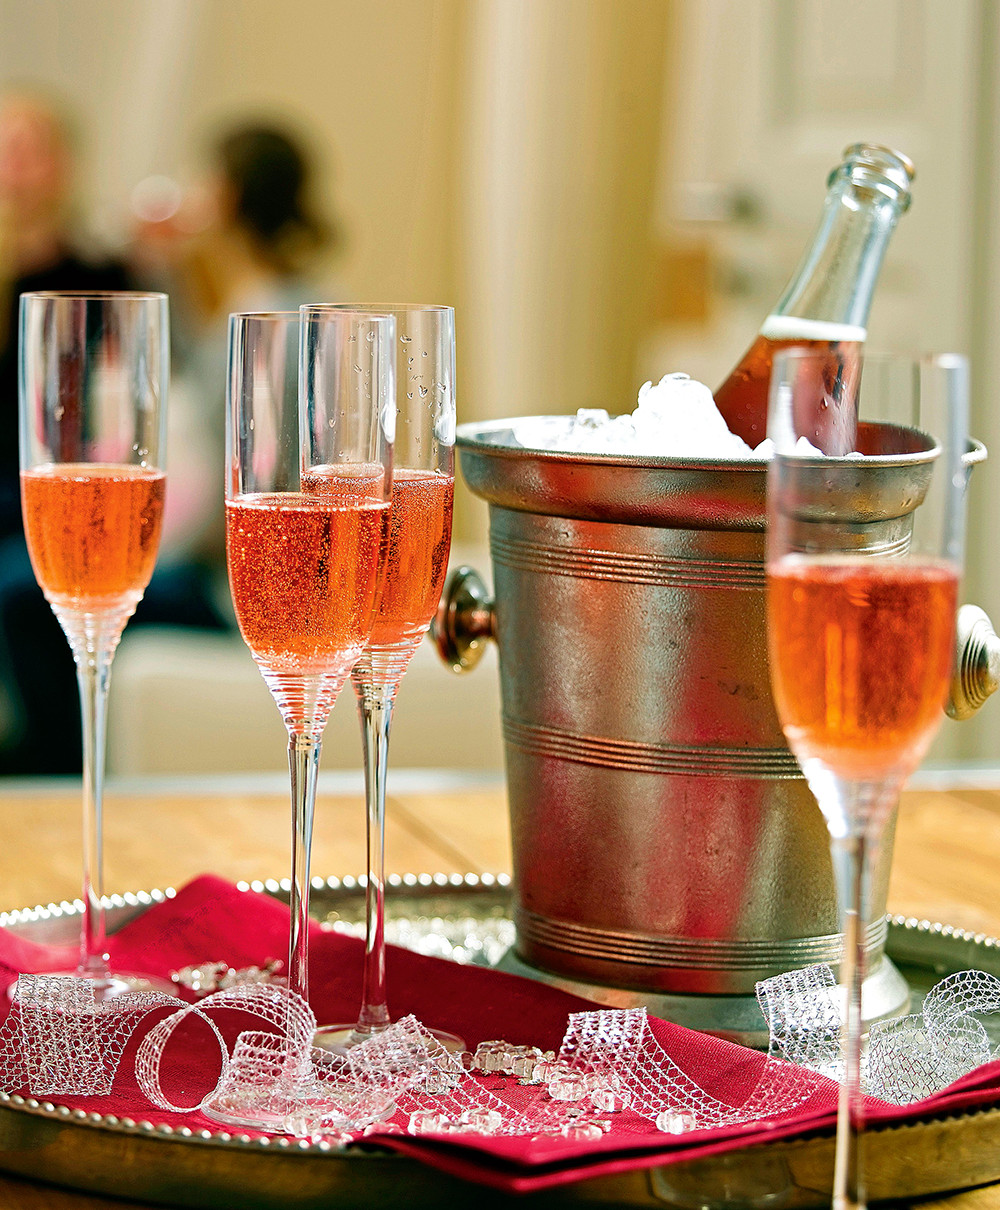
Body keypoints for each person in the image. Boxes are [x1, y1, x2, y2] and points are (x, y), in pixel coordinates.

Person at [0, 91, 133, 774]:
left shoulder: (105, 275)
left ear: (63, 164)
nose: (15, 167)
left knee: (24, 587)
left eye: (30, 149)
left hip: (79, 488)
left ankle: (53, 768)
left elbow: (131, 401)